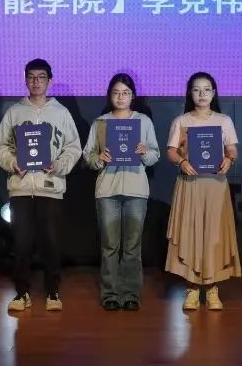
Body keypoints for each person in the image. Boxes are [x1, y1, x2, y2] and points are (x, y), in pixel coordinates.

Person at [0, 59, 81, 312]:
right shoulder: (14, 112)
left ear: (49, 81)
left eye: (41, 77)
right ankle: (22, 293)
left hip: (50, 187)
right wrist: (13, 163)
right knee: (21, 243)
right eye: (31, 77)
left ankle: (53, 291)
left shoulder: (61, 113)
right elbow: (0, 146)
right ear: (25, 80)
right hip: (21, 186)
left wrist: (59, 165)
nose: (36, 81)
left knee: (51, 243)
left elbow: (73, 147)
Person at [165, 72, 242, 310]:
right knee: (190, 233)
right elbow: (171, 151)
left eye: (206, 89)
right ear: (190, 93)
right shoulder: (181, 121)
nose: (202, 94)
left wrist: (229, 159)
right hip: (190, 185)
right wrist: (181, 161)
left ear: (213, 93)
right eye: (197, 89)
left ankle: (211, 288)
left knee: (214, 235)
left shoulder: (224, 120)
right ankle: (191, 288)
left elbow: (232, 149)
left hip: (215, 185)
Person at [83, 73, 160, 311]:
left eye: (125, 93)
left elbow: (155, 155)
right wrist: (100, 158)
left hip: (136, 190)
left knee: (132, 246)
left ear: (132, 96)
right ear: (110, 95)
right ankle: (110, 294)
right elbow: (88, 155)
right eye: (116, 93)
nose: (120, 97)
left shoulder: (143, 122)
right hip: (107, 190)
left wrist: (144, 152)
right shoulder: (100, 123)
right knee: (110, 245)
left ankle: (130, 294)